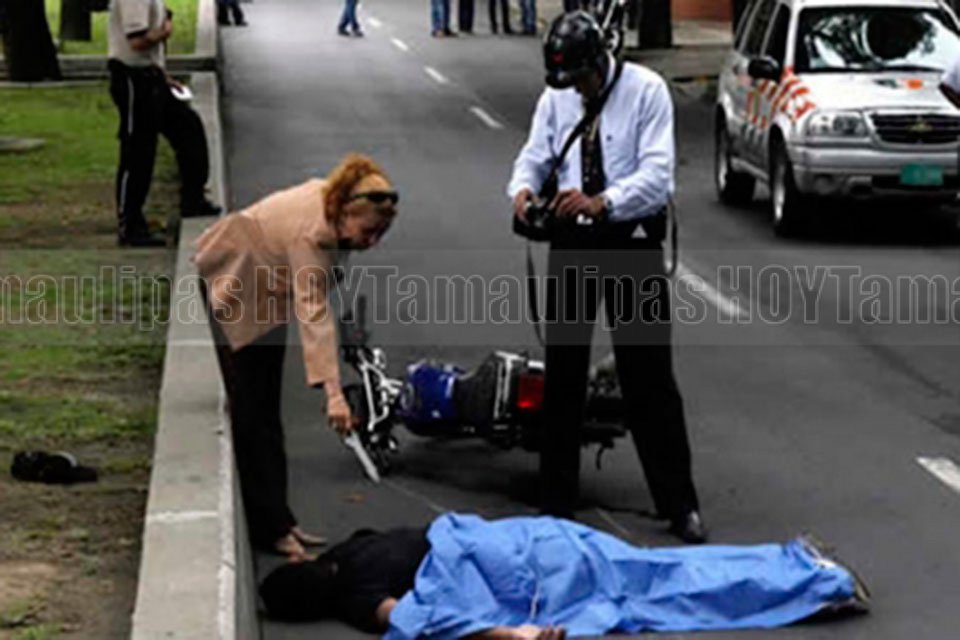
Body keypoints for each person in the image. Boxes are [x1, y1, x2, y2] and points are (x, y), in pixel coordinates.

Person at [507, 12, 706, 543]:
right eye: (568, 82)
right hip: (572, 243)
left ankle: (679, 503)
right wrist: (523, 191)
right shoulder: (556, 99)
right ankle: (556, 504)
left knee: (648, 377)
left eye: (582, 79)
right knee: (564, 372)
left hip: (630, 240)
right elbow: (535, 155)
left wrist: (602, 202)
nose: (577, 89)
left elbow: (657, 175)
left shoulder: (647, 91)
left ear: (600, 62)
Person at [193, 154, 399, 560]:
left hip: (266, 281)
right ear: (345, 213)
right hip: (236, 277)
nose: (372, 241)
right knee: (254, 415)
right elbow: (314, 313)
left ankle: (281, 520)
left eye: (381, 234)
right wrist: (334, 394)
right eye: (368, 232)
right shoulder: (312, 236)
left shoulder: (336, 200)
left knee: (266, 410)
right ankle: (271, 528)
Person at [259, 513, 869, 638]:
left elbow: (430, 621)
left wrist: (510, 634)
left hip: (528, 582)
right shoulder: (356, 547)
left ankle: (815, 581)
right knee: (658, 569)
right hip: (529, 541)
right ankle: (794, 564)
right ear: (302, 565)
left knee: (663, 596)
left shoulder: (356, 601)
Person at [107, 0, 221, 247]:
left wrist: (163, 76)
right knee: (138, 150)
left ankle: (193, 198)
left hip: (151, 76)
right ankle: (130, 224)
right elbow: (137, 41)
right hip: (133, 78)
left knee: (188, 128)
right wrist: (165, 29)